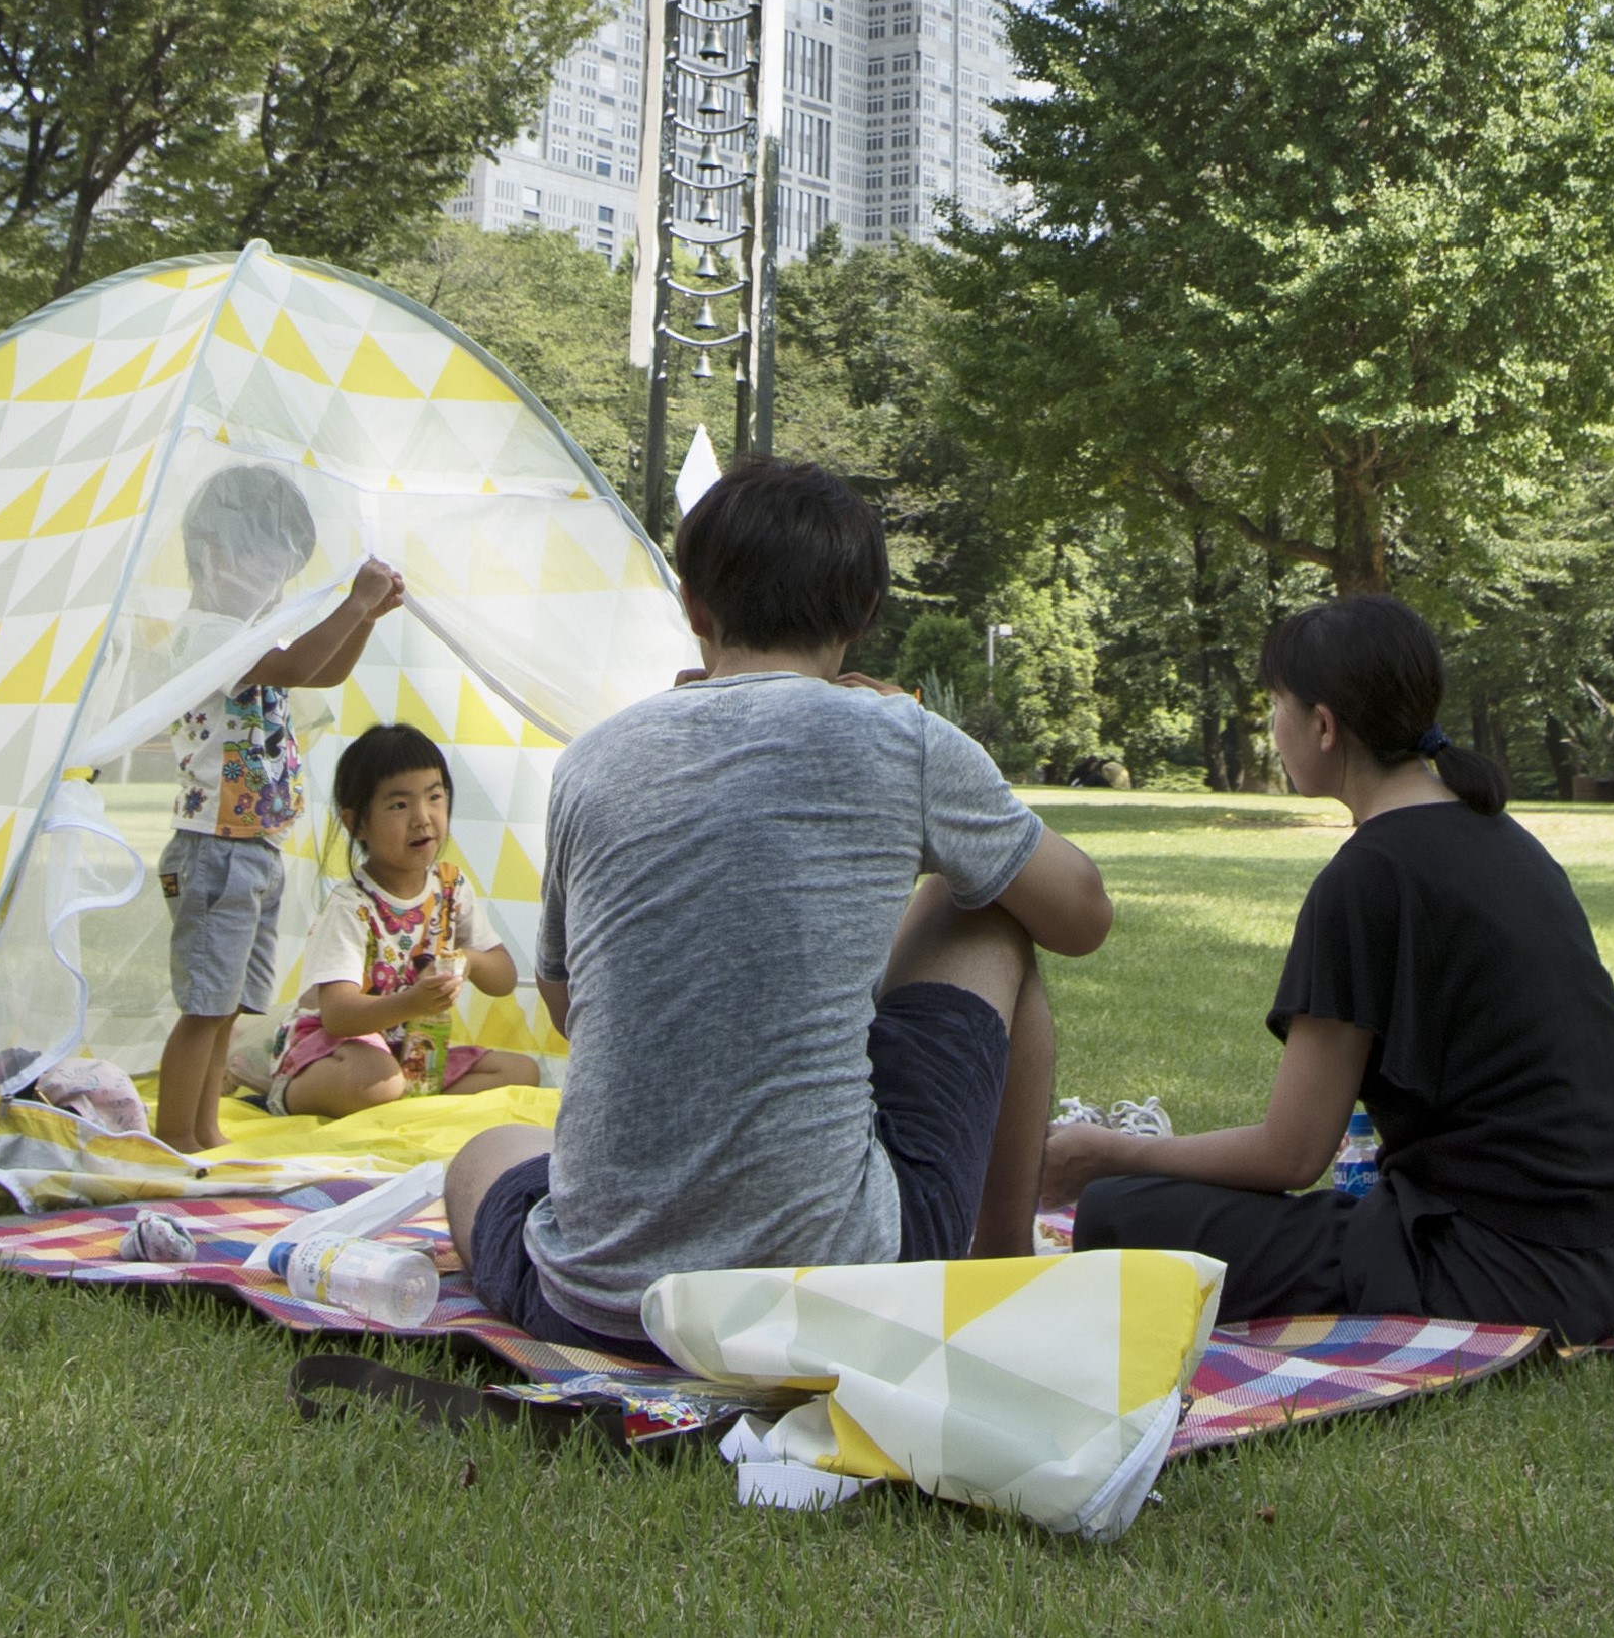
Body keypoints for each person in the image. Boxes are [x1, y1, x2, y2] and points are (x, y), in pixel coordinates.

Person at [441, 457, 1110, 1355]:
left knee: (483, 1156)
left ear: (695, 609)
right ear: (865, 613)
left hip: (598, 1305)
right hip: (834, 1298)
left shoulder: (591, 760)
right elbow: (1081, 917)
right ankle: (998, 1268)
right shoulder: (899, 736)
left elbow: (569, 1006)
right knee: (987, 899)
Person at [1042, 595, 1614, 1344]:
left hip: (1509, 1273)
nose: (1274, 729)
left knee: (1123, 1214)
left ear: (1323, 724)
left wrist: (1105, 1156)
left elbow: (1293, 1153)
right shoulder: (1504, 838)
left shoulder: (1367, 876)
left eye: (1277, 705)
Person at [151, 462, 408, 1154]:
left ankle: (203, 1128)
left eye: (285, 562)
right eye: (266, 557)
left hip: (252, 846)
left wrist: (366, 617)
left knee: (228, 1005)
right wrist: (352, 602)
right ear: (215, 554)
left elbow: (322, 670)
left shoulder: (249, 637)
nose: (278, 577)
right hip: (212, 849)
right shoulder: (209, 632)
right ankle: (177, 1136)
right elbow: (297, 669)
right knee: (204, 1007)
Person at [270, 724, 539, 1115]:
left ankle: (406, 1099)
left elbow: (503, 978)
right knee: (375, 1082)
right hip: (338, 1047)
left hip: (411, 1050)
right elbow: (339, 1015)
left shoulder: (451, 886)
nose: (422, 818)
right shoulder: (352, 907)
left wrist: (468, 959)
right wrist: (412, 1001)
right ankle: (279, 1083)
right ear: (356, 823)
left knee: (520, 1072)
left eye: (435, 797)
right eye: (399, 805)